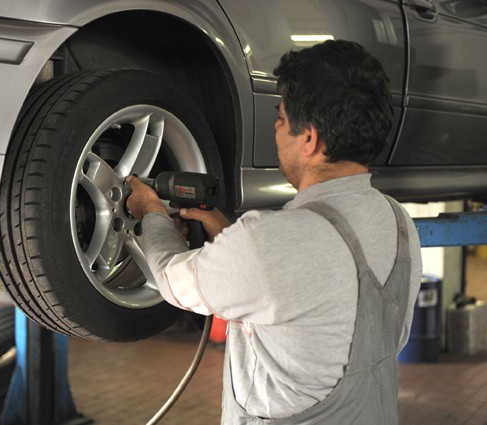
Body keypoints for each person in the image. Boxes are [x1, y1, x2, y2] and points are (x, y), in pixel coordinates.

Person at [126, 40, 422, 424]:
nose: (277, 129)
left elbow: (171, 281)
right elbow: (326, 304)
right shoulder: (399, 223)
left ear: (310, 139)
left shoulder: (269, 242)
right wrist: (231, 239)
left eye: (280, 119)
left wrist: (150, 212)